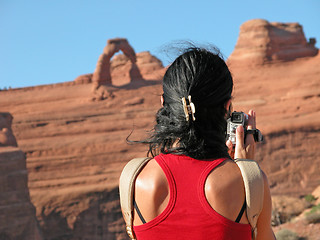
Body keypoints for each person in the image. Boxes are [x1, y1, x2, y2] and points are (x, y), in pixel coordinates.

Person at [130, 47, 275, 239]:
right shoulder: (249, 181)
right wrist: (245, 170)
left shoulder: (134, 179)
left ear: (164, 102)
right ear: (227, 107)